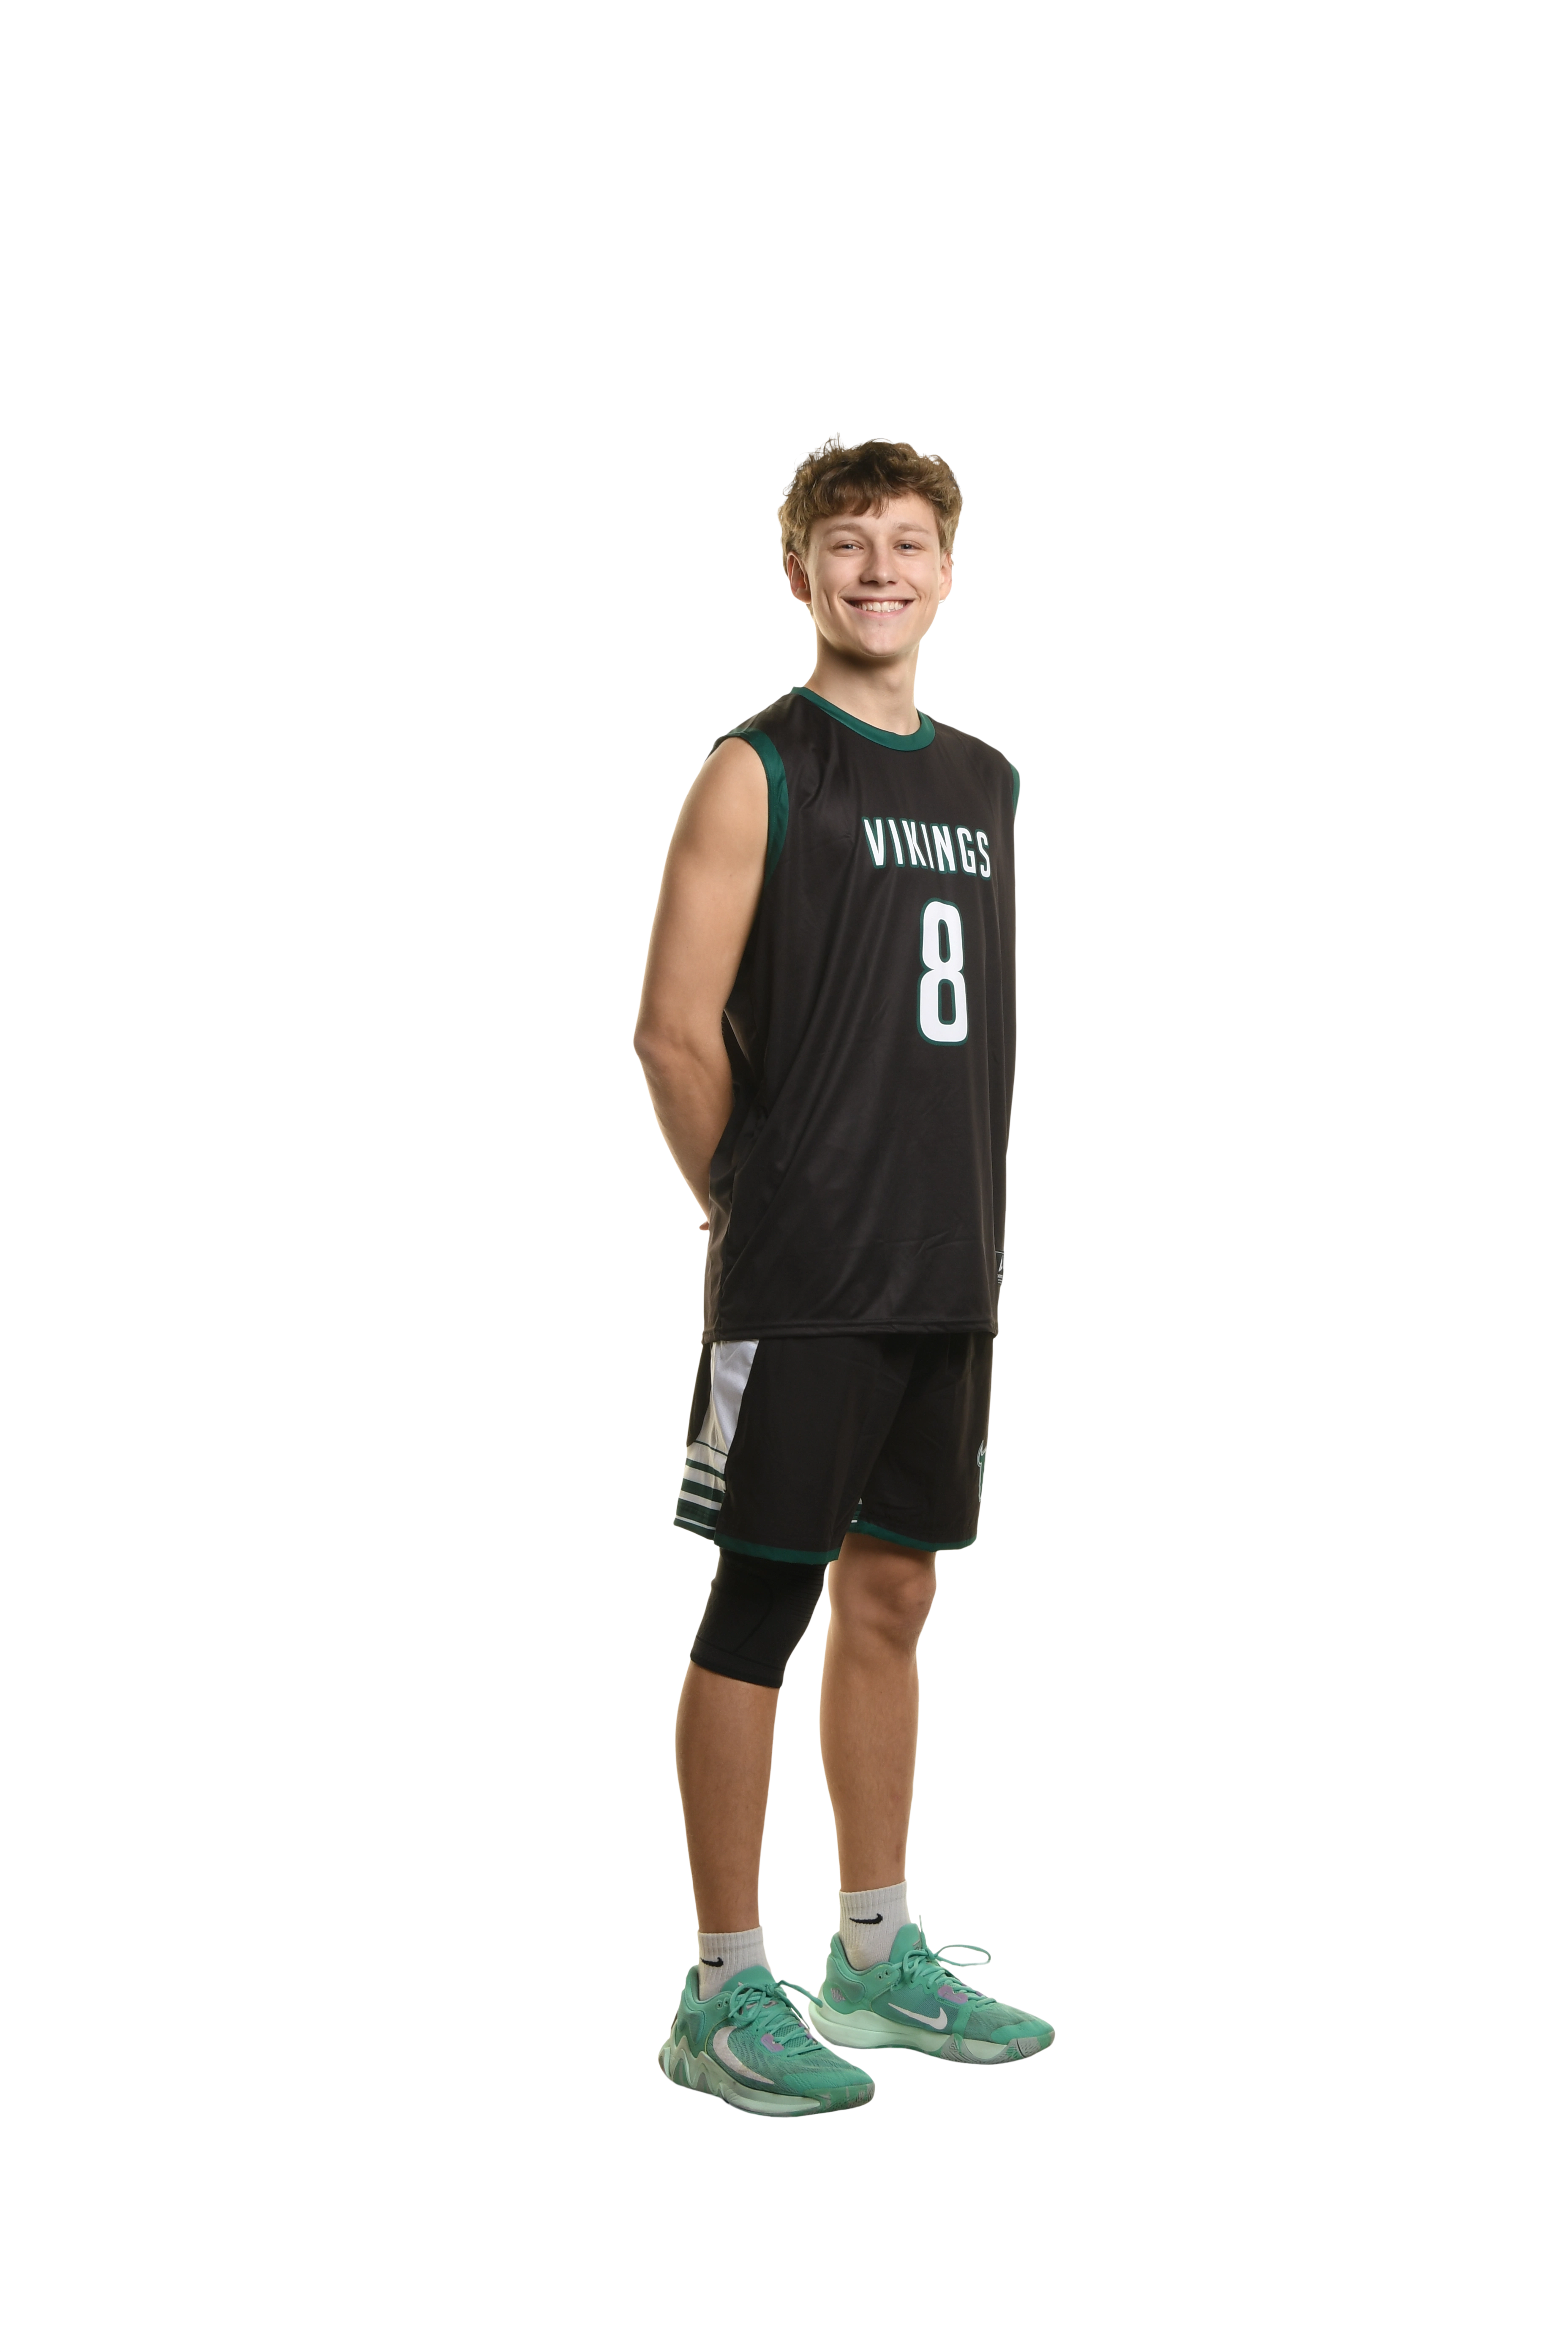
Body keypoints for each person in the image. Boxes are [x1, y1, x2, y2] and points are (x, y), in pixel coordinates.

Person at [636, 433, 1054, 2116]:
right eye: (845, 540)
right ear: (793, 566)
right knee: (763, 1600)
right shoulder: (759, 768)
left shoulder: (990, 782)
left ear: (949, 567)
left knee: (896, 1596)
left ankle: (874, 1953)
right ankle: (722, 1991)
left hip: (947, 1261)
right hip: (805, 1275)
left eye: (907, 541)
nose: (878, 569)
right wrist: (752, 1213)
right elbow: (672, 1031)